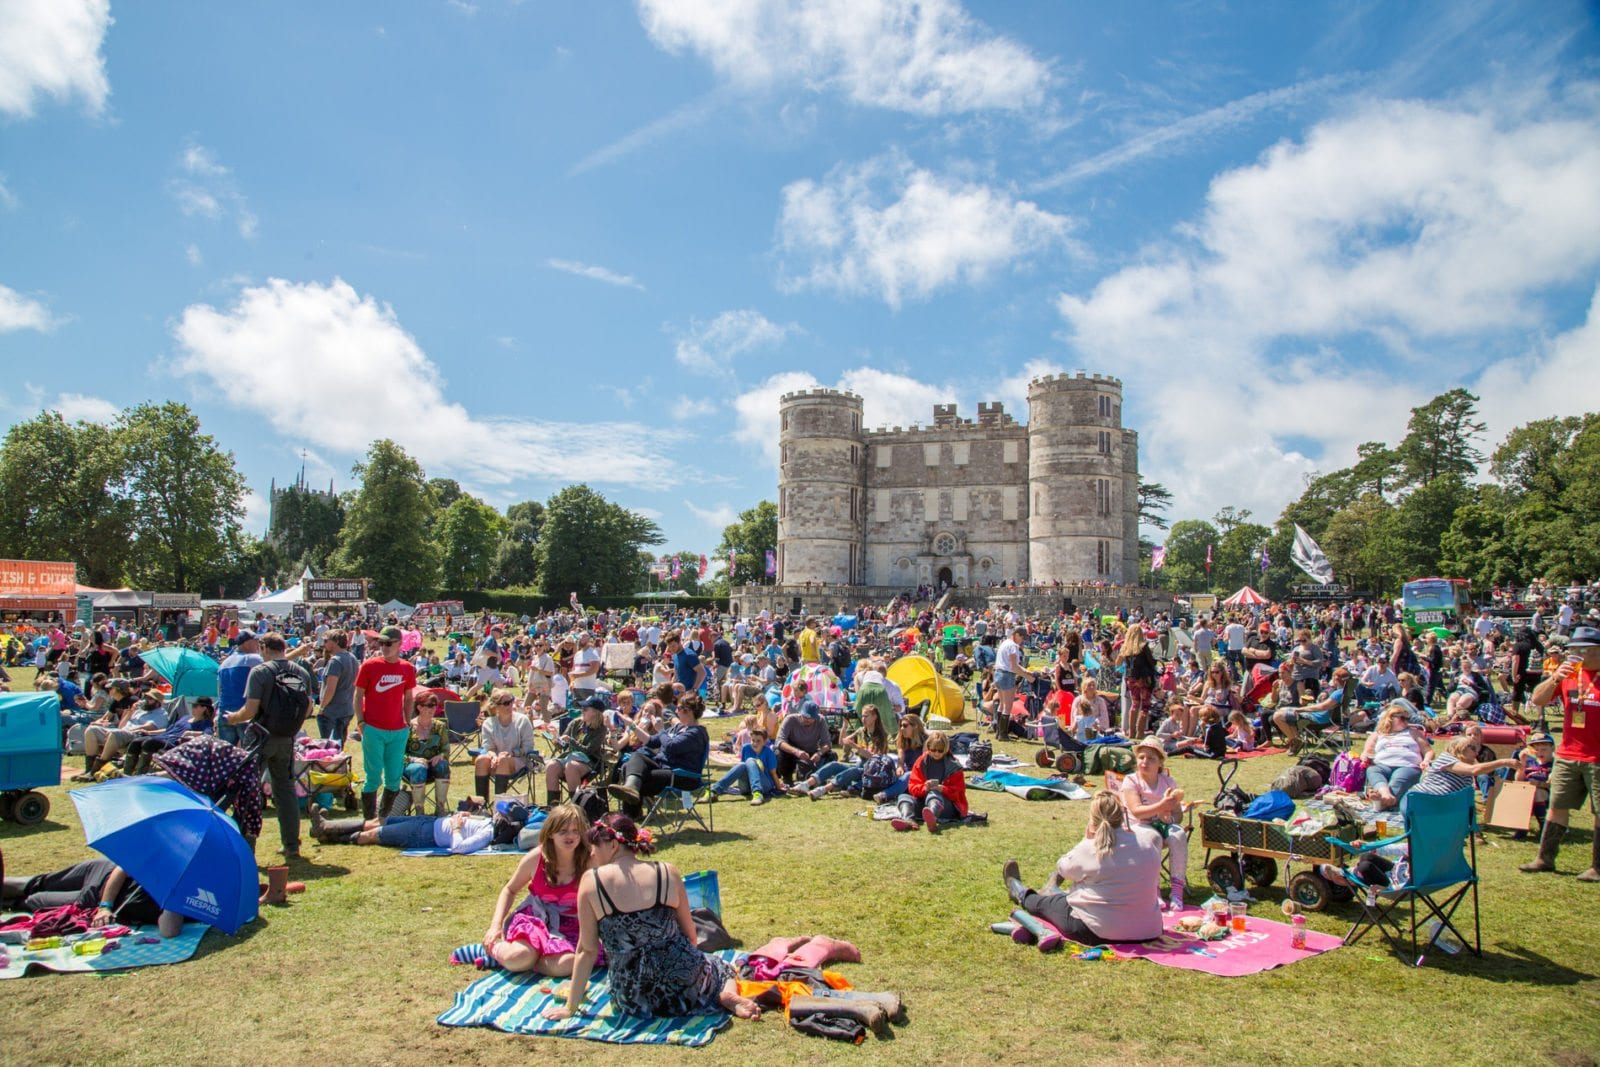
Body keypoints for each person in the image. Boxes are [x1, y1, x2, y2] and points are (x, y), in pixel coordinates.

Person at [543, 813, 760, 1023]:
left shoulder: (592, 881)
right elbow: (691, 937)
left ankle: (719, 993)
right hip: (684, 988)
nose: (591, 854)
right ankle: (723, 994)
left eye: (594, 847)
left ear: (613, 845)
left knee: (711, 965)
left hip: (632, 995)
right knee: (720, 966)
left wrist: (570, 1007)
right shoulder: (667, 872)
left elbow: (587, 950)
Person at [1000, 790, 1163, 944]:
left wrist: (1086, 839)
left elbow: (1063, 868)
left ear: (1093, 820)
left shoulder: (1091, 848)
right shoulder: (1147, 845)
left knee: (1044, 904)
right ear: (1122, 816)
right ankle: (1050, 889)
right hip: (1149, 931)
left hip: (1097, 930)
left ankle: (1020, 892)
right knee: (1068, 896)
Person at [1520, 626, 1600, 880]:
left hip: (1597, 757)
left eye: (1582, 650)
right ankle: (1544, 858)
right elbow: (1537, 699)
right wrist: (1554, 678)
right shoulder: (1568, 675)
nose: (1575, 655)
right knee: (1557, 806)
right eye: (1572, 650)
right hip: (1568, 753)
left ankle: (1597, 867)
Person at [229, 632, 315, 858]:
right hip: (286, 737)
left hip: (260, 737)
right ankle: (291, 845)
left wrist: (232, 719)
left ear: (264, 648)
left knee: (248, 790)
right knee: (285, 791)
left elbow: (250, 710)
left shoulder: (260, 672)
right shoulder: (301, 672)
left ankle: (246, 846)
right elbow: (308, 708)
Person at [483, 804, 592, 974]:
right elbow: (509, 890)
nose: (570, 836)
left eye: (575, 831)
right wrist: (495, 925)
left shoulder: (589, 860)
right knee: (518, 958)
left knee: (568, 964)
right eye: (563, 831)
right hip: (536, 918)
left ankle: (535, 959)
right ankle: (492, 949)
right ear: (550, 833)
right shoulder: (537, 857)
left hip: (572, 924)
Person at [0, 859, 187, 938]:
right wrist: (106, 906)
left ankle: (11, 903)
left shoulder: (194, 897)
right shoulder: (173, 860)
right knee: (39, 883)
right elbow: (122, 869)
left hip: (90, 902)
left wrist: (176, 895)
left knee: (34, 902)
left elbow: (169, 931)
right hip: (101, 875)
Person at [608, 693, 710, 818]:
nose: (676, 712)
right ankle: (631, 795)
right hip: (664, 769)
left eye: (678, 708)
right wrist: (632, 726)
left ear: (687, 711)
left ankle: (629, 817)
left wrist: (661, 730)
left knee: (638, 779)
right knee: (635, 758)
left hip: (682, 775)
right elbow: (650, 741)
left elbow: (672, 747)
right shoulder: (678, 728)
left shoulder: (697, 733)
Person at [353, 625, 417, 821]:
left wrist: (407, 723)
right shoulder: (369, 666)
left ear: (399, 644)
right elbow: (358, 696)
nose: (384, 647)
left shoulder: (407, 668)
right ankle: (368, 819)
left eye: (389, 643)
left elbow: (408, 698)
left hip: (398, 730)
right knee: (372, 776)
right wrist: (361, 722)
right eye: (381, 643)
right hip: (373, 728)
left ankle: (384, 818)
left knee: (394, 778)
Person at [1119, 736, 1189, 910]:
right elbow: (1136, 811)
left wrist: (1170, 818)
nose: (1145, 761)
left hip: (1163, 824)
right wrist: (1160, 807)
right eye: (1141, 757)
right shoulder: (1131, 780)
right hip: (1138, 826)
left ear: (1160, 762)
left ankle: (1177, 891)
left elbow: (1178, 814)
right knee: (1153, 838)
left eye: (1151, 758)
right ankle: (1153, 890)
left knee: (1178, 834)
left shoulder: (1168, 782)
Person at [792, 703, 891, 799]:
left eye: (866, 716)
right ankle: (805, 785)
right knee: (834, 765)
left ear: (875, 717)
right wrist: (844, 725)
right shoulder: (861, 730)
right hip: (860, 766)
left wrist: (854, 745)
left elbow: (874, 758)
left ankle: (823, 789)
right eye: (862, 716)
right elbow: (841, 742)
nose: (863, 719)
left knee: (854, 770)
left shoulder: (881, 735)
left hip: (872, 771)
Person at [892, 730, 967, 833]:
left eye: (940, 750)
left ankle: (932, 817)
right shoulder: (921, 762)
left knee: (934, 793)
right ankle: (908, 820)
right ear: (928, 747)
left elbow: (959, 792)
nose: (936, 753)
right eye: (933, 749)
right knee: (903, 797)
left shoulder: (954, 766)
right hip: (923, 803)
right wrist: (924, 788)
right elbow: (912, 786)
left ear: (945, 749)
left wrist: (943, 789)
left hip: (946, 806)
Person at [1359, 704, 1430, 811]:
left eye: (1408, 718)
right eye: (1402, 718)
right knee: (1372, 770)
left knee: (1398, 778)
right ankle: (1385, 794)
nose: (1406, 721)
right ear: (1391, 718)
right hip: (1382, 765)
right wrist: (1365, 757)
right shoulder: (1378, 734)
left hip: (1407, 766)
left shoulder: (1413, 732)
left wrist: (1426, 760)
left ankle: (1381, 801)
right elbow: (1366, 752)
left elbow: (1428, 751)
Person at [476, 691, 537, 802]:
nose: (511, 705)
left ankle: (498, 807)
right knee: (481, 760)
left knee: (503, 760)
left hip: (519, 759)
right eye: (506, 703)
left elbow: (528, 747)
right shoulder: (488, 723)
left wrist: (512, 753)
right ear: (496, 706)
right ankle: (481, 807)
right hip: (496, 761)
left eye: (511, 701)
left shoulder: (522, 720)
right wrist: (493, 757)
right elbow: (488, 748)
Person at [546, 696, 609, 805]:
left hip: (589, 762)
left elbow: (588, 750)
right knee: (551, 766)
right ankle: (552, 807)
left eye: (585, 709)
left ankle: (576, 807)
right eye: (582, 709)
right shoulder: (575, 724)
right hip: (569, 758)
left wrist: (572, 741)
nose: (582, 711)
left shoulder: (600, 729)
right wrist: (556, 739)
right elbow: (563, 746)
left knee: (571, 766)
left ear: (595, 712)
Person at [773, 682, 835, 786]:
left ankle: (820, 777)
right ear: (800, 713)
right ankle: (787, 777)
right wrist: (796, 751)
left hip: (810, 752)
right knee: (779, 752)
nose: (808, 720)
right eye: (805, 717)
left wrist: (819, 753)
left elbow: (827, 743)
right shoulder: (790, 719)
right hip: (791, 753)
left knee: (830, 755)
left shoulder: (820, 721)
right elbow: (779, 741)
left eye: (811, 718)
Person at [403, 689, 451, 812]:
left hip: (433, 766)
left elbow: (446, 749)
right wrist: (414, 759)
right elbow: (399, 754)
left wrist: (440, 756)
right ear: (419, 707)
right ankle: (420, 811)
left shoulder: (439, 726)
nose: (433, 708)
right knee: (418, 769)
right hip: (412, 766)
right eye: (429, 705)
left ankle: (440, 808)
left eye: (435, 705)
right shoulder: (407, 727)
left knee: (443, 765)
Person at [709, 726, 778, 805]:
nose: (755, 743)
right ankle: (714, 791)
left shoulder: (768, 752)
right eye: (753, 740)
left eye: (758, 741)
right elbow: (743, 769)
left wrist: (779, 787)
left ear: (765, 741)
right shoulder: (746, 748)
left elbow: (773, 773)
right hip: (746, 787)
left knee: (749, 760)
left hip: (764, 786)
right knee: (742, 764)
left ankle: (757, 793)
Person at [215, 631, 262, 745]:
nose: (258, 645)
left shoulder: (224, 663)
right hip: (245, 713)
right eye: (256, 642)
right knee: (252, 754)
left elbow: (219, 690)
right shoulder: (254, 659)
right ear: (246, 643)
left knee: (227, 755)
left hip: (225, 712)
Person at [317, 628, 359, 744]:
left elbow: (330, 689)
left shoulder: (335, 661)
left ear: (335, 641)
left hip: (333, 711)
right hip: (347, 709)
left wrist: (321, 708)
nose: (323, 644)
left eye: (326, 641)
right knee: (339, 745)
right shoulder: (352, 658)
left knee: (329, 748)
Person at [1116, 626, 1159, 738]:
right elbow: (1152, 662)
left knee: (1134, 704)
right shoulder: (1143, 646)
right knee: (1144, 706)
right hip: (1143, 679)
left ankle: (1131, 732)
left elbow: (1118, 663)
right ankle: (1140, 733)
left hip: (1130, 679)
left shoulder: (1125, 647)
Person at [992, 627, 1031, 740]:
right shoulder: (1013, 647)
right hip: (1007, 675)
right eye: (1022, 637)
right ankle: (1003, 734)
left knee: (1001, 704)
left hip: (998, 674)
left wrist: (1024, 671)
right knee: (1007, 707)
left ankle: (998, 732)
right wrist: (1026, 675)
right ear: (1017, 635)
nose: (1022, 640)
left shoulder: (1004, 643)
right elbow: (1014, 667)